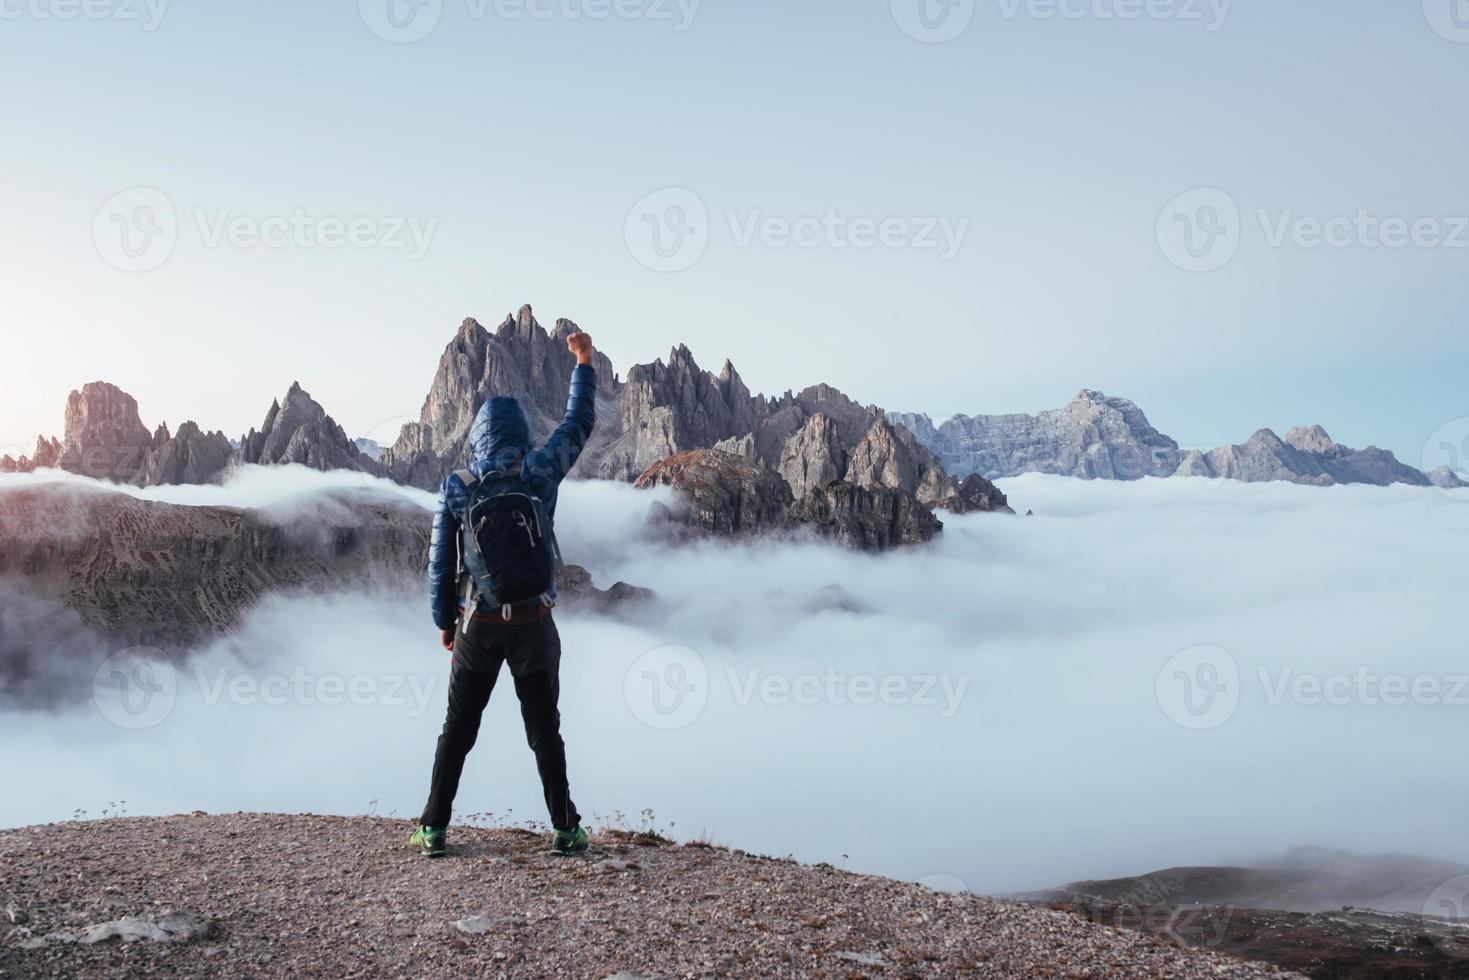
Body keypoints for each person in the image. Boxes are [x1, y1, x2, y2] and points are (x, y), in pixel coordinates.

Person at [410, 330, 598, 858]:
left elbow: (440, 562)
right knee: (545, 733)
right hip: (534, 625)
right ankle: (565, 829)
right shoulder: (539, 471)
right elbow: (579, 423)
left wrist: (445, 623)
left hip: (478, 625)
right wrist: (583, 360)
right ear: (521, 431)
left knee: (457, 730)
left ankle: (433, 828)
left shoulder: (457, 485)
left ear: (476, 437)